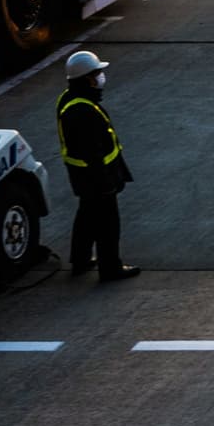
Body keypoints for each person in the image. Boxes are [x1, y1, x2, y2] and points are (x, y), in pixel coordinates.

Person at [55, 50, 137, 281]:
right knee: (108, 225)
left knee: (87, 216)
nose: (101, 77)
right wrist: (106, 183)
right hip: (96, 177)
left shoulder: (69, 99)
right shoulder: (82, 111)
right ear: (87, 78)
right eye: (97, 73)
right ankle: (110, 268)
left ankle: (80, 259)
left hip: (81, 175)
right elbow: (93, 152)